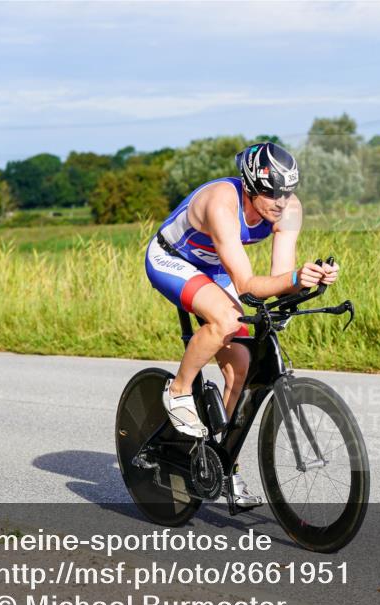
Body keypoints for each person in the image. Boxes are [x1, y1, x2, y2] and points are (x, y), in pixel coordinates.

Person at [144, 142, 338, 507]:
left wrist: (310, 278)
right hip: (172, 259)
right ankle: (179, 390)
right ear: (249, 186)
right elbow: (249, 285)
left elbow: (280, 278)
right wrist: (294, 278)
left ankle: (223, 461)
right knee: (227, 318)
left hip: (215, 268)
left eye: (287, 192)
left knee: (243, 368)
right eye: (271, 193)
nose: (280, 203)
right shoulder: (222, 203)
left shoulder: (288, 210)